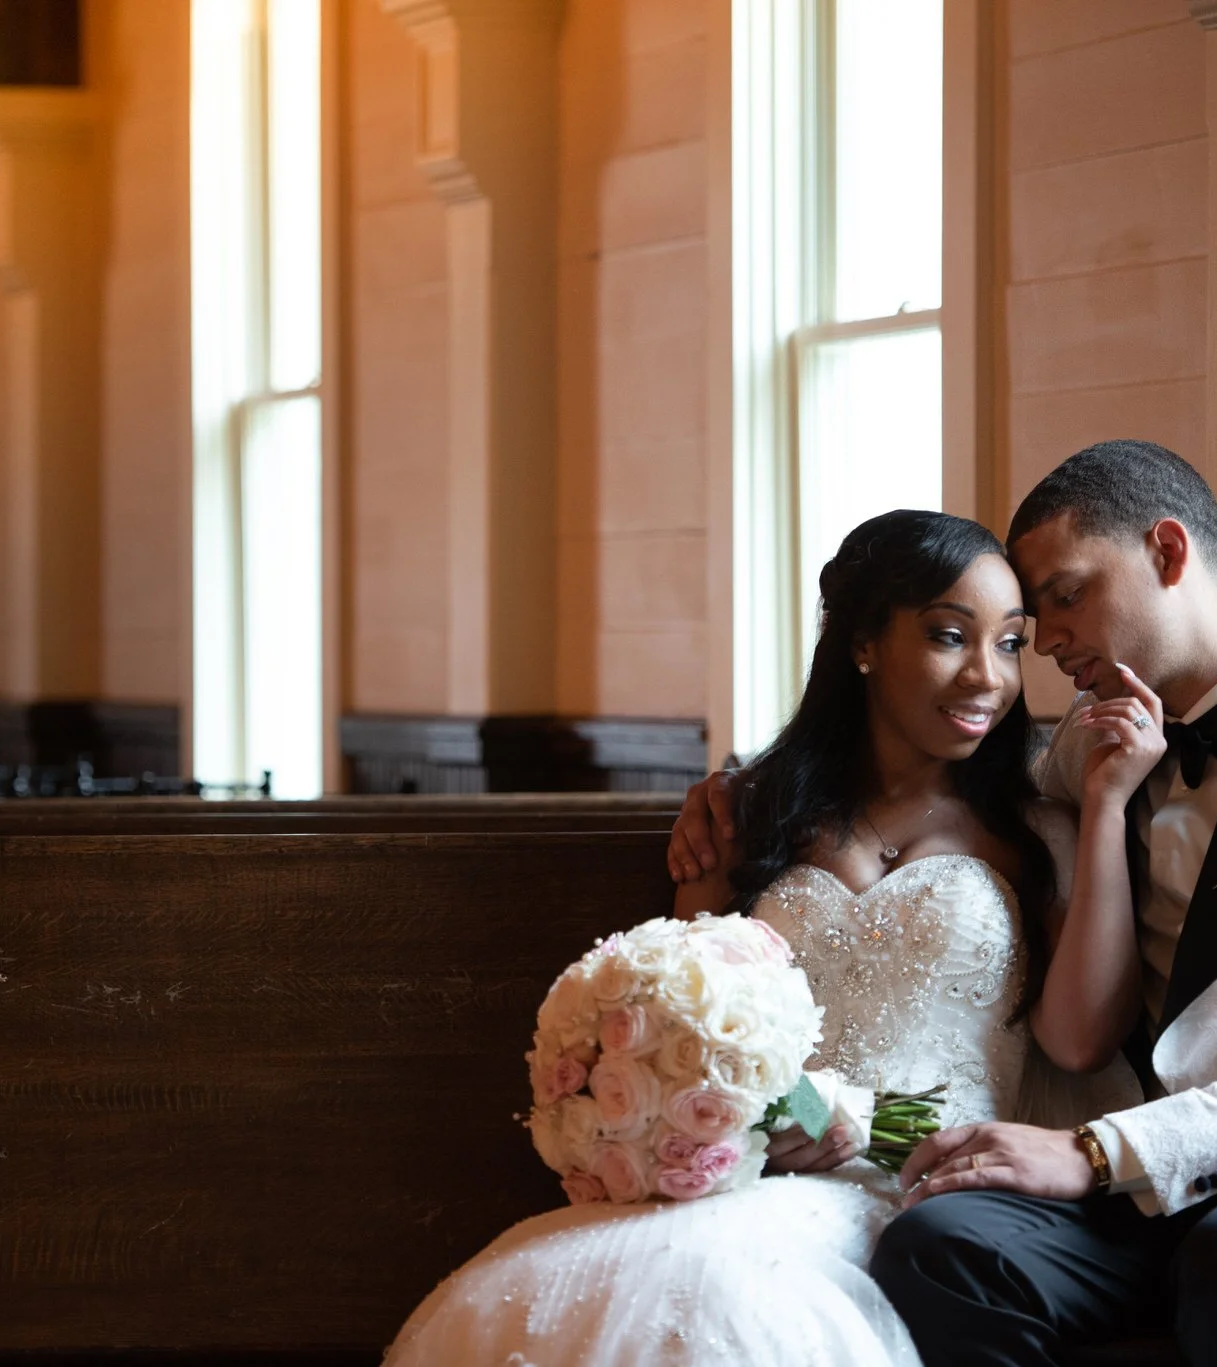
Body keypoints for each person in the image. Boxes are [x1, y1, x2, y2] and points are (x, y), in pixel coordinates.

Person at [670, 440, 1217, 1365]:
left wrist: (1091, 1151)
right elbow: (941, 798)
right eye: (1030, 618)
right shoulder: (1087, 742)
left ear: (1167, 552)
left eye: (1064, 596)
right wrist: (736, 785)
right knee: (946, 1248)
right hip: (1183, 1169)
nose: (1042, 643)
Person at [384, 509, 1139, 1367]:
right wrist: (786, 1115)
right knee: (572, 1281)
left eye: (1009, 644)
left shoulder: (1035, 831)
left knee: (723, 1290)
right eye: (948, 635)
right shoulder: (749, 816)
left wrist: (1108, 810)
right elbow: (688, 1033)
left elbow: (1078, 1041)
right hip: (765, 1174)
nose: (986, 677)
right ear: (862, 642)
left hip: (932, 1193)